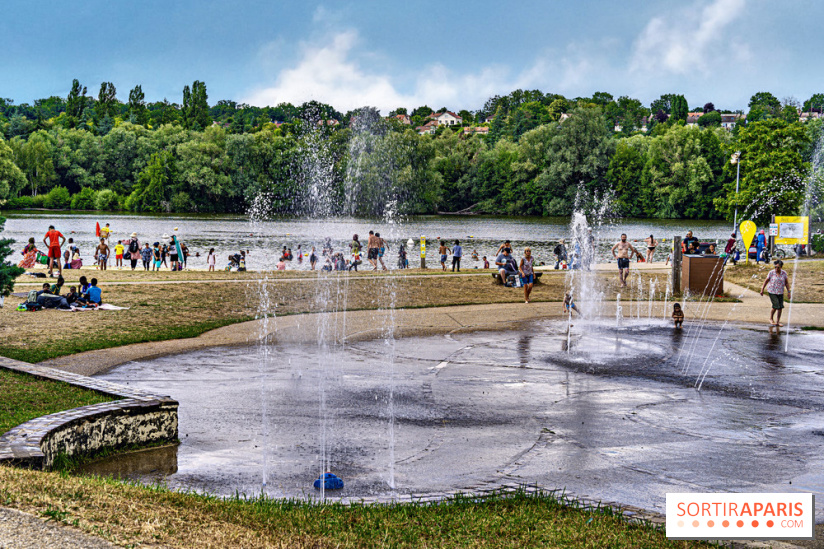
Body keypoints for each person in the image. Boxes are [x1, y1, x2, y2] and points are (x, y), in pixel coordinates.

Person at [760, 260, 791, 326]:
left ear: (781, 267)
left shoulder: (784, 273)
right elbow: (766, 281)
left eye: (778, 267)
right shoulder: (771, 273)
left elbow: (786, 283)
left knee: (780, 307)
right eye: (775, 267)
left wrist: (789, 292)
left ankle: (778, 321)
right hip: (772, 291)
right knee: (776, 305)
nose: (776, 268)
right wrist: (762, 289)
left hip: (780, 292)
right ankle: (771, 319)